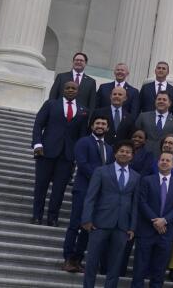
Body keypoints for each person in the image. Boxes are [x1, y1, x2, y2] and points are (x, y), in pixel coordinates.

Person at [81, 140, 139, 288]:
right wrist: (87, 219)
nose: (124, 154)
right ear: (115, 153)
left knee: (115, 265)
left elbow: (135, 203)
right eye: (122, 151)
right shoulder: (101, 171)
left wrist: (132, 227)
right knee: (92, 262)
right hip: (100, 222)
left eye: (128, 152)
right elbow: (91, 196)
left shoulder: (136, 177)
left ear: (132, 156)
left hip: (122, 226)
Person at [31, 80, 88, 225]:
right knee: (41, 185)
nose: (70, 90)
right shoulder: (51, 104)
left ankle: (52, 217)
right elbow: (38, 124)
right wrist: (37, 144)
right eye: (67, 88)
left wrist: (78, 156)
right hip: (46, 152)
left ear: (77, 91)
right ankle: (37, 215)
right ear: (63, 90)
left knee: (59, 189)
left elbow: (81, 137)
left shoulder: (82, 110)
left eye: (73, 88)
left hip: (67, 156)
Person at [63, 115, 111, 273]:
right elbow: (82, 164)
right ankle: (68, 258)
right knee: (75, 224)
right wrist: (99, 179)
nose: (100, 126)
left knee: (87, 226)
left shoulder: (109, 148)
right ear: (92, 127)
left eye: (103, 124)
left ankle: (78, 259)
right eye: (97, 123)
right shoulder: (84, 142)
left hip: (98, 194)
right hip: (83, 189)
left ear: (107, 128)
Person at [134, 151, 173, 288]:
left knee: (159, 273)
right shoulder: (147, 180)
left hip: (166, 234)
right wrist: (156, 221)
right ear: (158, 162)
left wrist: (165, 220)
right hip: (146, 232)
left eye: (168, 160)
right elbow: (142, 202)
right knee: (139, 270)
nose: (164, 162)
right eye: (162, 159)